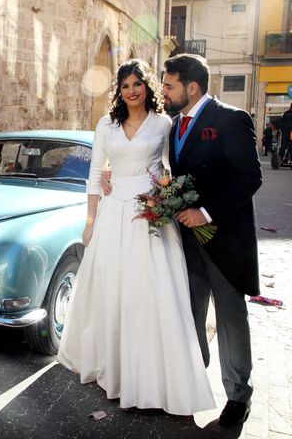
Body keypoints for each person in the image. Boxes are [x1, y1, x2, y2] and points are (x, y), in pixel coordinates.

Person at [102, 53, 261, 427]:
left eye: (169, 85)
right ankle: (189, 381)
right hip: (184, 239)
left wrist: (205, 214)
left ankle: (239, 395)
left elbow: (249, 177)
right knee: (188, 314)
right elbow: (159, 168)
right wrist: (112, 171)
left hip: (223, 240)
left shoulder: (231, 119)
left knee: (230, 317)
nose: (164, 91)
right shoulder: (172, 125)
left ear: (191, 87)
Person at [57, 59, 215, 416]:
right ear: (119, 90)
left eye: (137, 84)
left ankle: (154, 377)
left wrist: (168, 197)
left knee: (151, 294)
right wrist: (90, 221)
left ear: (147, 87)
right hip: (114, 214)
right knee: (114, 291)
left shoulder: (164, 123)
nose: (131, 91)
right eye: (125, 85)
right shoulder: (106, 124)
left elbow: (169, 168)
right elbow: (96, 175)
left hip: (151, 217)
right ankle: (114, 369)